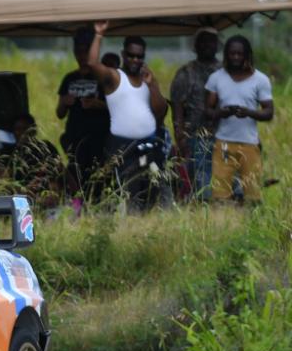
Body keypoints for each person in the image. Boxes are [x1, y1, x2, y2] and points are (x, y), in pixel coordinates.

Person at [87, 22, 168, 211]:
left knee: (152, 193)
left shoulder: (148, 80)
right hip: (121, 147)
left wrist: (153, 85)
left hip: (149, 145)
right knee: (127, 194)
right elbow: (92, 64)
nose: (135, 60)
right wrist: (99, 35)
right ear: (124, 55)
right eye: (131, 55)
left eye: (139, 56)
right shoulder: (115, 77)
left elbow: (161, 111)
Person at [204, 35, 274, 204]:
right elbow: (207, 110)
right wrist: (222, 113)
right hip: (223, 143)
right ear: (226, 55)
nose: (235, 57)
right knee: (220, 194)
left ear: (247, 55)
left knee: (253, 194)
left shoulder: (260, 80)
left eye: (239, 54)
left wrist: (249, 112)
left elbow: (269, 112)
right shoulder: (216, 78)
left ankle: (253, 225)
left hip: (249, 143)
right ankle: (223, 225)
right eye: (231, 54)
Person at [57, 29, 110, 203]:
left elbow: (117, 108)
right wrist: (65, 102)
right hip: (75, 138)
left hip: (98, 138)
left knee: (98, 178)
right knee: (76, 178)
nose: (81, 56)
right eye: (78, 51)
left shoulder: (103, 78)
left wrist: (98, 105)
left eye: (85, 51)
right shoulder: (69, 78)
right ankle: (79, 207)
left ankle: (97, 204)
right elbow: (59, 113)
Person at [170, 28, 222, 201]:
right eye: (203, 41)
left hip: (224, 136)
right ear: (196, 45)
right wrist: (180, 136)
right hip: (195, 137)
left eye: (211, 41)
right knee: (199, 184)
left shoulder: (226, 71)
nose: (207, 45)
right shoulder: (185, 73)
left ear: (218, 45)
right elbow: (177, 106)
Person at [10, 114, 65, 208]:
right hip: (26, 197)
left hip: (49, 192)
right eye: (18, 129)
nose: (22, 133)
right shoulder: (12, 154)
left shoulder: (45, 146)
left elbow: (61, 170)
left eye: (25, 129)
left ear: (33, 131)